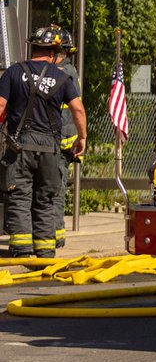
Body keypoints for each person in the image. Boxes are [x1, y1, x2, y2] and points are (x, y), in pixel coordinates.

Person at [0, 25, 87, 258]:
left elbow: (0, 106)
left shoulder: (13, 73)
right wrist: (82, 138)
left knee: (19, 196)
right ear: (54, 52)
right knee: (46, 199)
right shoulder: (62, 77)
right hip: (50, 149)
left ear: (34, 49)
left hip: (20, 148)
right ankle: (46, 252)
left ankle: (21, 248)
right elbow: (78, 109)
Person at [53, 28, 80, 250]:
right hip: (60, 140)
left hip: (60, 142)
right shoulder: (67, 72)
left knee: (55, 189)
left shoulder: (64, 74)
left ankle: (56, 234)